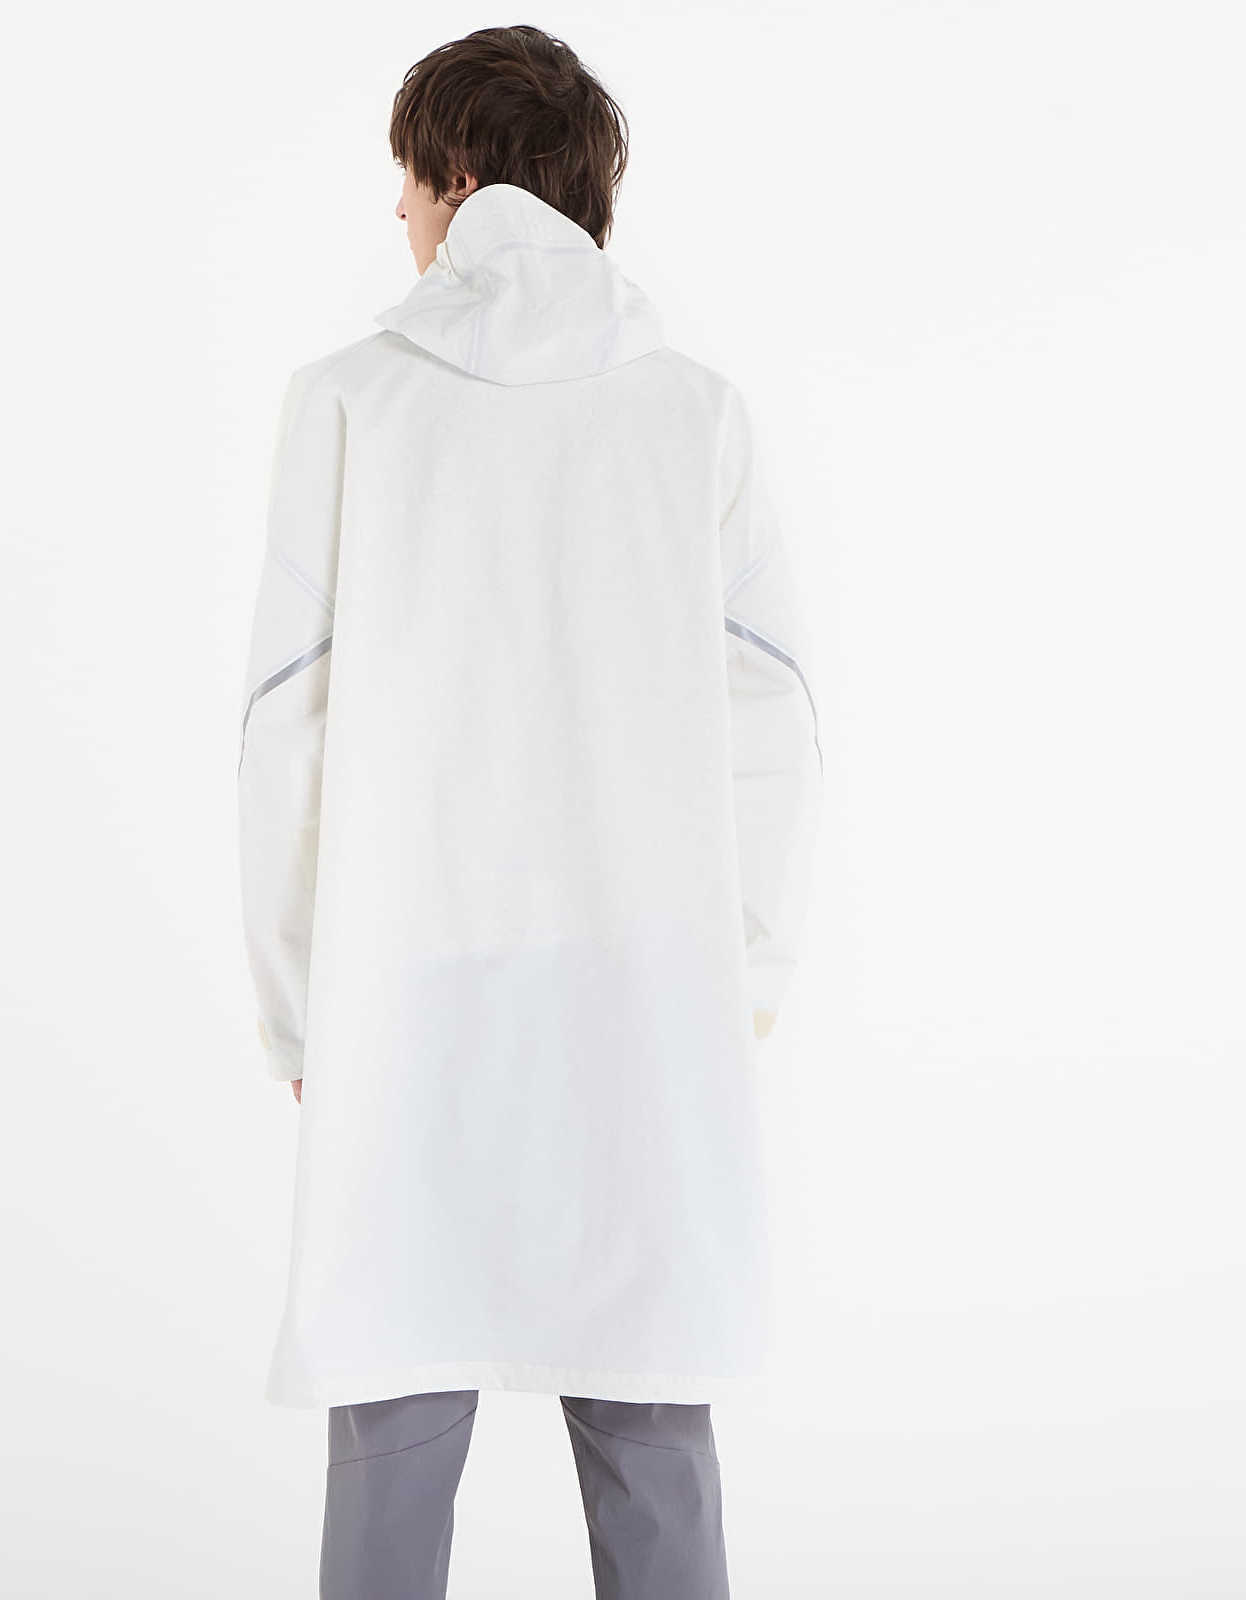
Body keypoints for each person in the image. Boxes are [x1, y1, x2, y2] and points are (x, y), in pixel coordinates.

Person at [236, 24, 823, 1600]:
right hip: (643, 979)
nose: (399, 218)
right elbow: (775, 716)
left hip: (406, 973)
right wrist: (744, 972)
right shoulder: (693, 412)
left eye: (408, 183)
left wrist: (298, 1006)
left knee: (395, 1391)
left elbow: (287, 725)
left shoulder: (348, 403)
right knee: (649, 1405)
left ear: (458, 172)